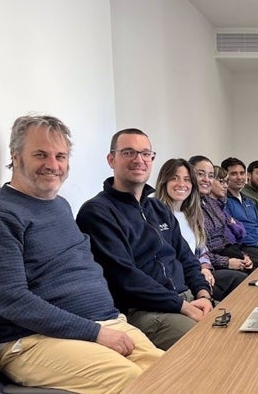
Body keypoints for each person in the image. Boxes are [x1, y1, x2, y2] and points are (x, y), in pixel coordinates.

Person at [0, 115, 163, 393]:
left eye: (60, 155)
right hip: (31, 342)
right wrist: (95, 332)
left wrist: (103, 326)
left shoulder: (60, 205)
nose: (53, 165)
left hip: (104, 323)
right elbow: (12, 301)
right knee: (136, 384)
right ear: (16, 157)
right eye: (40, 154)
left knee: (175, 371)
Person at [76, 129, 214, 350]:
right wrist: (182, 306)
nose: (139, 160)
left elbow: (187, 258)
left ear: (152, 159)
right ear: (111, 159)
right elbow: (126, 278)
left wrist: (203, 293)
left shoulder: (158, 208)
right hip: (144, 311)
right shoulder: (97, 212)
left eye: (145, 153)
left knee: (240, 330)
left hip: (185, 299)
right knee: (209, 344)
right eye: (129, 152)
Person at [155, 158, 247, 300]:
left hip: (199, 273)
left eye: (186, 179)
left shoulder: (191, 213)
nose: (182, 184)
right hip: (181, 280)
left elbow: (201, 249)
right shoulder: (156, 214)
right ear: (164, 181)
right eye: (174, 178)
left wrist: (205, 267)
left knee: (243, 282)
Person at [190, 156, 258, 269]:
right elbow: (204, 250)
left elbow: (242, 232)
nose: (225, 185)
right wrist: (227, 261)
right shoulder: (191, 208)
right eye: (200, 174)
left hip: (232, 250)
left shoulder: (215, 204)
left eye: (210, 176)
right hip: (219, 258)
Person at [221, 157, 258, 255]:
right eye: (234, 174)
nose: (239, 177)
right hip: (246, 247)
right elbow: (236, 232)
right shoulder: (223, 202)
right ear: (225, 177)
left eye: (242, 173)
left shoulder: (249, 201)